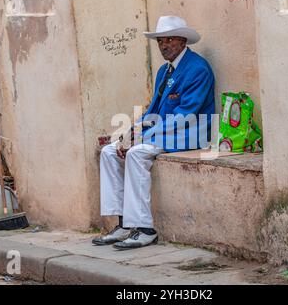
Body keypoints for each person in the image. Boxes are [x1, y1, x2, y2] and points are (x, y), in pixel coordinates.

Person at [92, 16, 215, 250]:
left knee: (136, 153)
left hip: (190, 133)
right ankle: (123, 225)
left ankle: (145, 230)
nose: (164, 45)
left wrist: (142, 138)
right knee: (109, 151)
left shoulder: (198, 69)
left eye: (169, 40)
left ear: (182, 41)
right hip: (165, 132)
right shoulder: (163, 71)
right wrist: (131, 132)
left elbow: (185, 115)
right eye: (160, 41)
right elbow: (153, 111)